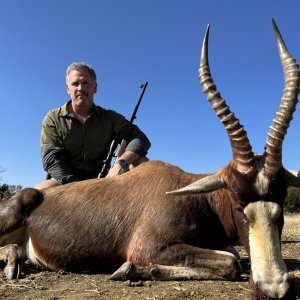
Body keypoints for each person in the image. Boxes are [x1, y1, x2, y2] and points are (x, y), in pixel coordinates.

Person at [35, 62, 151, 189]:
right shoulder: (52, 118)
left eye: (86, 83)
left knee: (141, 162)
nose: (80, 88)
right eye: (75, 84)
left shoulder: (110, 117)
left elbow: (140, 138)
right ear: (68, 89)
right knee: (40, 190)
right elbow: (51, 158)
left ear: (94, 87)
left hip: (102, 180)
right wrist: (76, 186)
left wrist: (121, 163)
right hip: (66, 181)